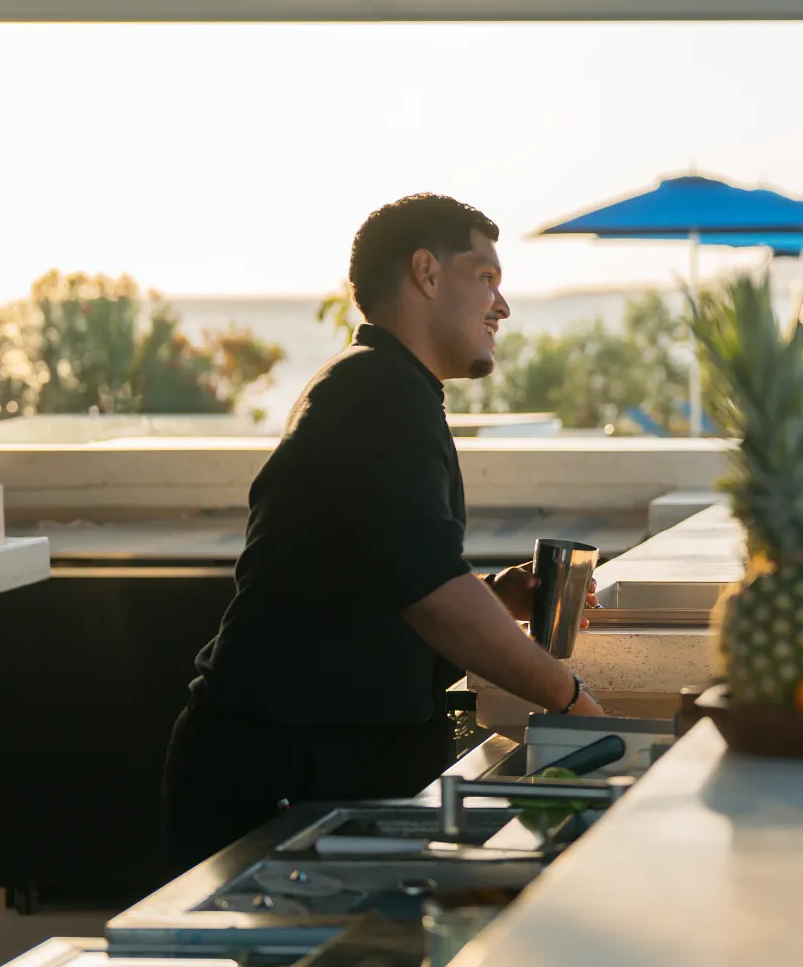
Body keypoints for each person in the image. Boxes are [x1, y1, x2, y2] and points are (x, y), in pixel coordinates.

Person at [162, 194, 605, 869]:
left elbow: (384, 571)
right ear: (426, 273)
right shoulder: (381, 398)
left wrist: (498, 593)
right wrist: (570, 702)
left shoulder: (377, 386)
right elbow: (433, 595)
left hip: (301, 764)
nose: (502, 306)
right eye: (486, 277)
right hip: (284, 775)